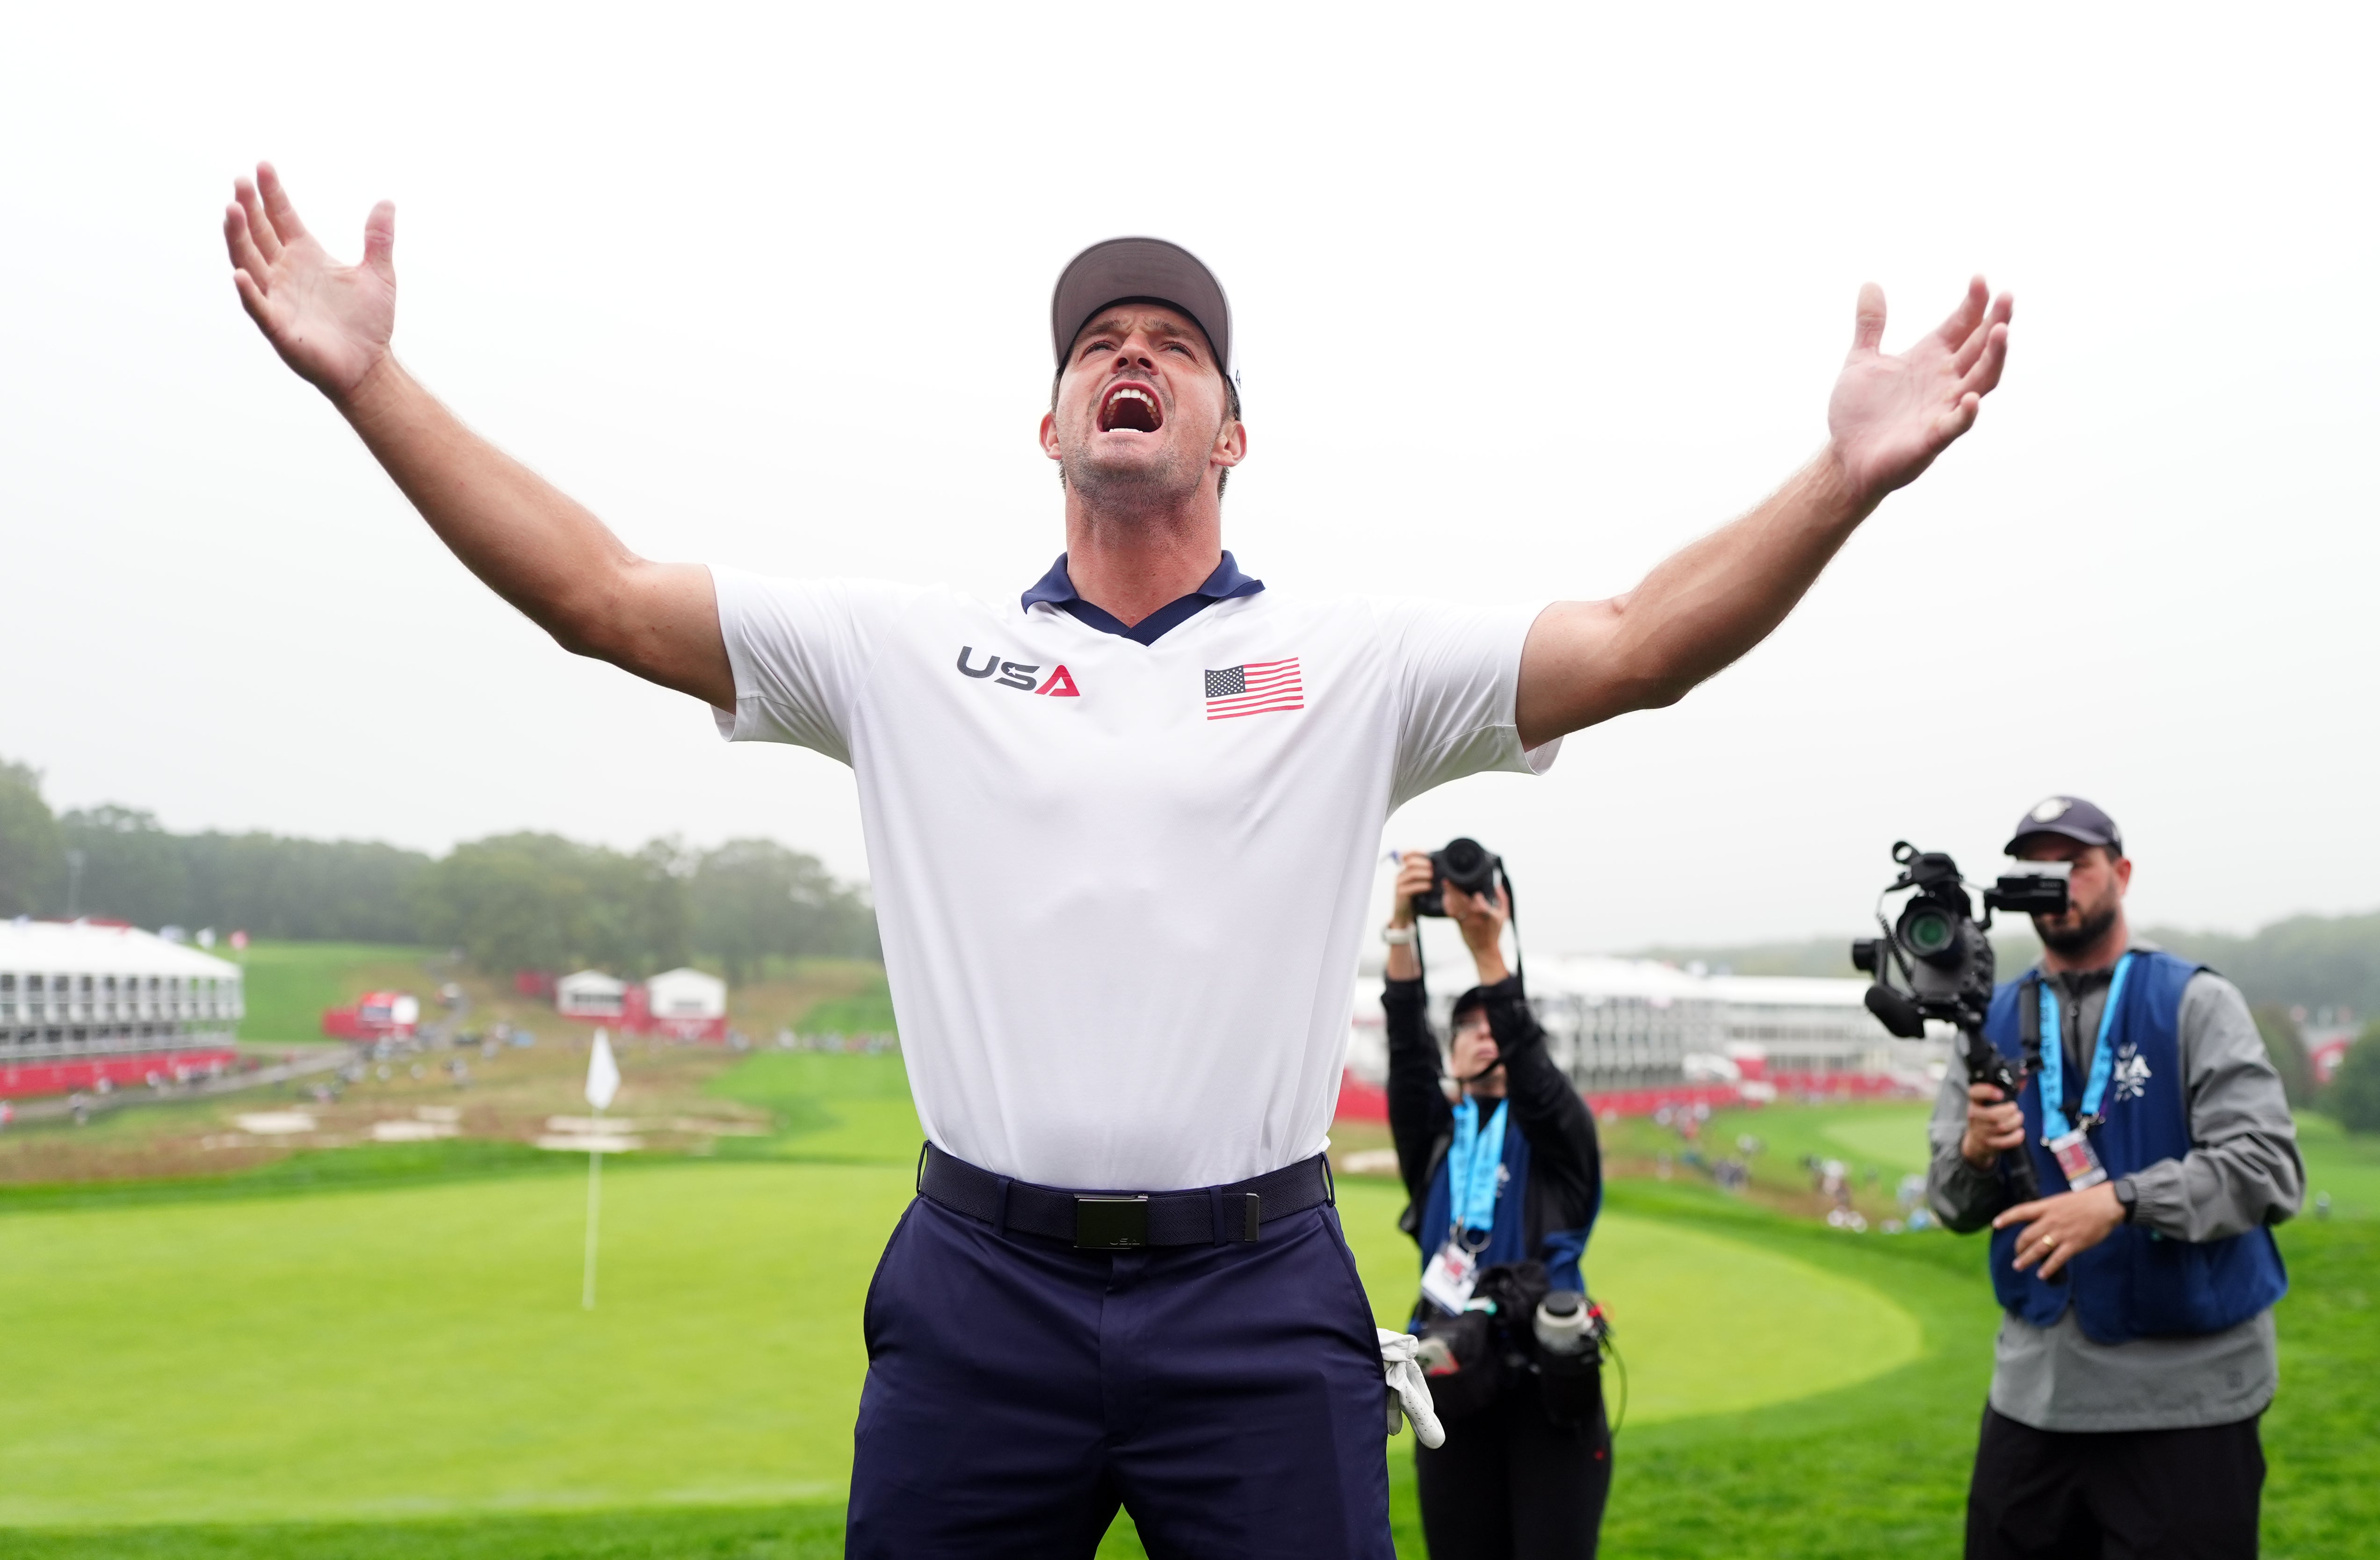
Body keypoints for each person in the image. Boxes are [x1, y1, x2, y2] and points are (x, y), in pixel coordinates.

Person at [222, 163, 2012, 1558]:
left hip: (1257, 1295)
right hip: (977, 1288)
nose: (1127, 354)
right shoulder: (902, 651)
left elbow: (1629, 641)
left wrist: (1838, 479)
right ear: (1053, 421)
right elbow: (597, 595)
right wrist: (373, 383)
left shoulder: (1356, 660)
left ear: (1232, 431)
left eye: (1171, 343)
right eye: (1095, 342)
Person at [1927, 797, 2303, 1560]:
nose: (2054, 881)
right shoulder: (1988, 1017)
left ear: (2120, 874)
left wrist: (2120, 1201)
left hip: (2188, 1401)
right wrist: (1971, 1153)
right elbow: (1948, 1205)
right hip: (2034, 1400)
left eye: (2075, 863)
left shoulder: (2194, 1000)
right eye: (2035, 867)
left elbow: (2267, 1170)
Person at [1383, 850, 1606, 1558]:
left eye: (1496, 1027)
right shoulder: (1438, 1142)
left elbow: (1535, 1079)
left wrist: (1487, 951)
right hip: (1449, 1382)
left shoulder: (1557, 1137)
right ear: (1453, 1052)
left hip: (1546, 1386)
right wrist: (1399, 931)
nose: (1484, 1033)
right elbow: (1406, 1053)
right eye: (1467, 1027)